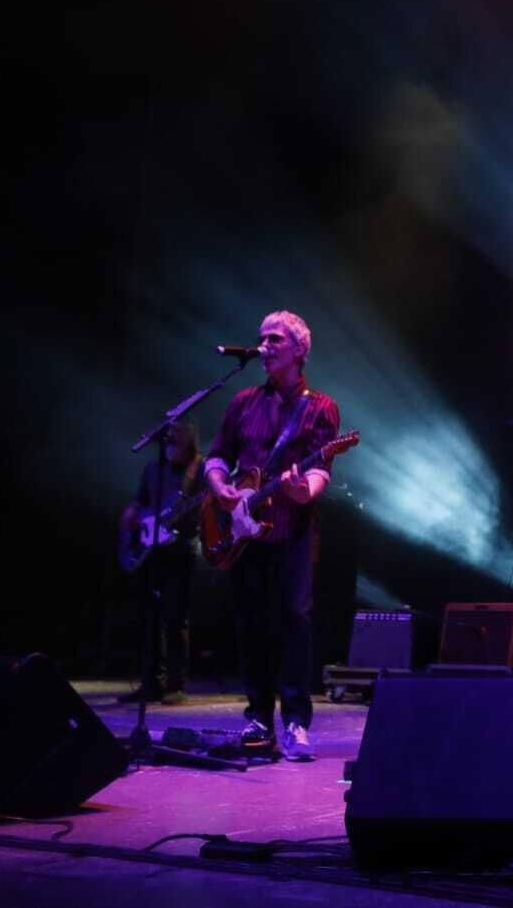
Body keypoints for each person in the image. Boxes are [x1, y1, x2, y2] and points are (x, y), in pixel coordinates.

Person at [204, 311, 341, 762]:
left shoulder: (320, 407)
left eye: (275, 339)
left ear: (299, 350)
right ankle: (258, 716)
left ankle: (297, 721)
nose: (264, 345)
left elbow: (320, 469)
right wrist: (221, 486)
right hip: (244, 530)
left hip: (292, 528)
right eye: (261, 338)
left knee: (294, 622)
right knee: (251, 624)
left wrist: (304, 490)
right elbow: (218, 455)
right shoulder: (243, 401)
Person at [117, 421, 202, 705]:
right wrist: (132, 517)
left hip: (182, 546)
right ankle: (151, 683)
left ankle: (176, 685)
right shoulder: (152, 470)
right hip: (151, 548)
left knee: (176, 618)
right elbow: (138, 502)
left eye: (175, 442)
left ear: (188, 442)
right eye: (167, 441)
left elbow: (206, 507)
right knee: (150, 617)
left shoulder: (198, 469)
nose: (169, 446)